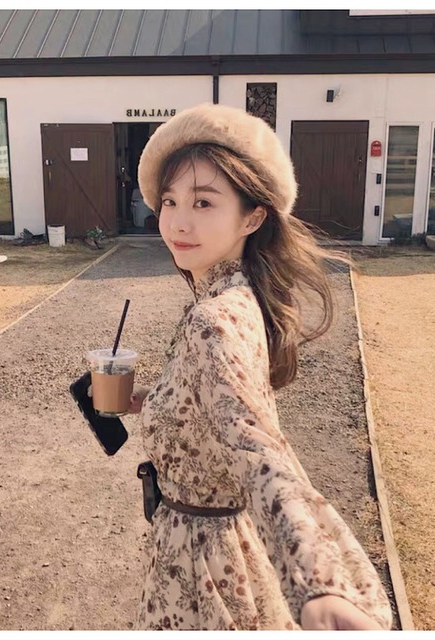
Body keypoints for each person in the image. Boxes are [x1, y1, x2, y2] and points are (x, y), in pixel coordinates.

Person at [121, 103, 393, 630]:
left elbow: (258, 448)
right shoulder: (236, 294)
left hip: (203, 574)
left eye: (203, 202)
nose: (177, 221)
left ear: (252, 217)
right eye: (170, 201)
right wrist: (149, 400)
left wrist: (317, 581)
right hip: (209, 552)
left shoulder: (214, 319)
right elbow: (220, 406)